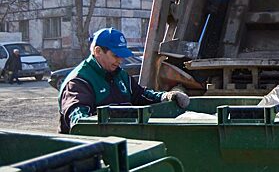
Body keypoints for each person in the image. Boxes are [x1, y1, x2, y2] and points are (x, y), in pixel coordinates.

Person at [58, 28, 190, 133]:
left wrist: (165, 96)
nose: (120, 60)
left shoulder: (119, 74)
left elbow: (140, 95)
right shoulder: (79, 82)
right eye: (115, 55)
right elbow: (79, 121)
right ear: (98, 51)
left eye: (122, 56)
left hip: (122, 138)